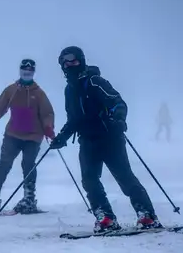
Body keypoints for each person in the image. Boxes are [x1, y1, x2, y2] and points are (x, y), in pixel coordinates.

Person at [49, 46, 162, 233]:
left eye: (73, 60)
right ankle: (105, 217)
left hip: (110, 137)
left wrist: (118, 119)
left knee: (124, 177)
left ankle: (147, 214)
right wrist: (62, 137)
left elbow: (117, 102)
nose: (69, 64)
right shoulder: (69, 90)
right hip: (87, 141)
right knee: (89, 180)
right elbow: (74, 120)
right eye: (65, 62)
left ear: (81, 61)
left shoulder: (95, 81)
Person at [0, 58, 55, 214]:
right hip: (12, 134)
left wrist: (48, 127)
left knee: (28, 165)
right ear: (20, 71)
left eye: (30, 71)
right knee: (4, 164)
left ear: (33, 72)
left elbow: (47, 113)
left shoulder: (39, 94)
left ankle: (29, 199)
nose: (27, 73)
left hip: (33, 137)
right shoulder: (11, 90)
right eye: (24, 70)